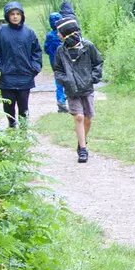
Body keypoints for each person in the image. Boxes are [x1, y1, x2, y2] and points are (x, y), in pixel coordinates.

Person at [52, 17, 103, 163]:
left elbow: (98, 63)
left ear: (67, 33)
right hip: (72, 89)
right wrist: (66, 81)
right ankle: (82, 149)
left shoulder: (87, 46)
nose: (57, 35)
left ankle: (82, 140)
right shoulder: (60, 51)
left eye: (59, 32)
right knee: (78, 117)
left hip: (87, 89)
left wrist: (91, 78)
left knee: (87, 118)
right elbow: (58, 69)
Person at [0, 2, 42, 129]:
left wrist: (34, 68)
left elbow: (36, 52)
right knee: (8, 104)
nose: (15, 17)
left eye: (18, 14)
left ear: (22, 15)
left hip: (25, 75)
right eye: (12, 14)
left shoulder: (29, 33)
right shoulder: (0, 33)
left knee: (23, 105)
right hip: (7, 76)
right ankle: (11, 124)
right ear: (7, 16)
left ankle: (24, 128)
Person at [43, 12, 68, 114]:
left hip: (55, 64)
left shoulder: (49, 36)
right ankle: (65, 101)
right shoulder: (65, 34)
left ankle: (61, 102)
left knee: (59, 84)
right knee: (68, 82)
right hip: (66, 63)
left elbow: (46, 49)